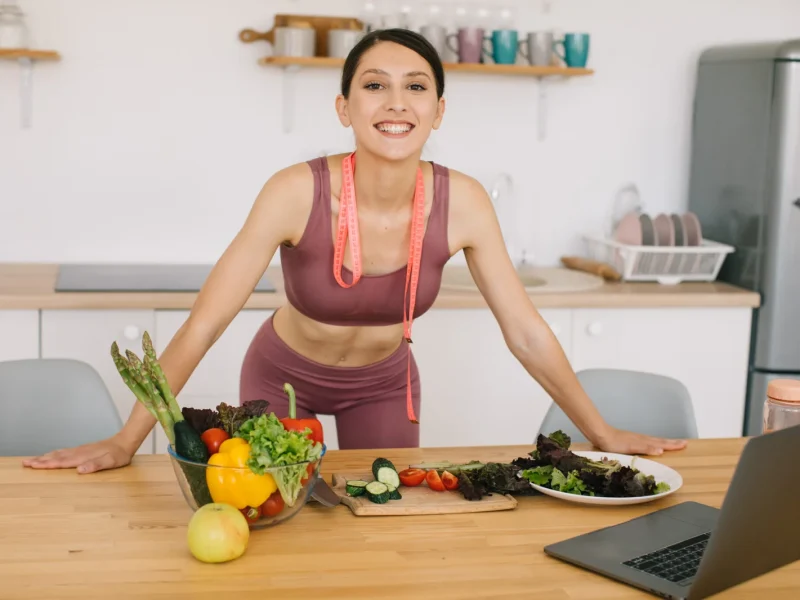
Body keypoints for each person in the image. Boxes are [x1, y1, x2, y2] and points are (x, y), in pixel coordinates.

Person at [23, 29, 687, 474]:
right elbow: (204, 324)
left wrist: (601, 433)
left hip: (386, 388)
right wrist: (125, 440)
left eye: (415, 86)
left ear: (438, 109)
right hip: (282, 380)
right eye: (374, 85)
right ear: (344, 106)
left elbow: (526, 333)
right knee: (284, 518)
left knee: (382, 516)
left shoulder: (467, 203)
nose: (395, 101)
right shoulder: (294, 192)